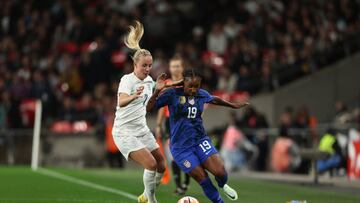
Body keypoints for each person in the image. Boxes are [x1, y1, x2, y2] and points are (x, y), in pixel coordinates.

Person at [147, 70, 249, 203]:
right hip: (181, 148)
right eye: (190, 86)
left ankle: (223, 184)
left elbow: (214, 99)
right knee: (203, 178)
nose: (194, 89)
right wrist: (156, 92)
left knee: (221, 172)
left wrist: (232, 105)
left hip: (200, 140)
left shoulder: (201, 94)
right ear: (183, 83)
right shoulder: (172, 94)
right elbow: (149, 108)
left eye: (197, 86)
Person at [111, 21, 166, 203]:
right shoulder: (127, 80)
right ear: (135, 64)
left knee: (161, 165)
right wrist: (134, 95)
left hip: (141, 129)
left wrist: (157, 91)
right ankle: (151, 200)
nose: (147, 69)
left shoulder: (149, 81)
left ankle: (145, 196)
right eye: (144, 66)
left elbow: (149, 106)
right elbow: (121, 101)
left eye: (149, 66)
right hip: (124, 131)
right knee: (150, 164)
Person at [155, 55, 190, 195]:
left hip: (186, 123)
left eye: (177, 66)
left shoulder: (188, 83)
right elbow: (162, 107)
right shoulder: (167, 84)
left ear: (182, 67)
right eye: (173, 66)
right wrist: (158, 125)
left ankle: (186, 182)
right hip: (171, 123)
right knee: (173, 154)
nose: (175, 68)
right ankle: (178, 184)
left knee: (186, 154)